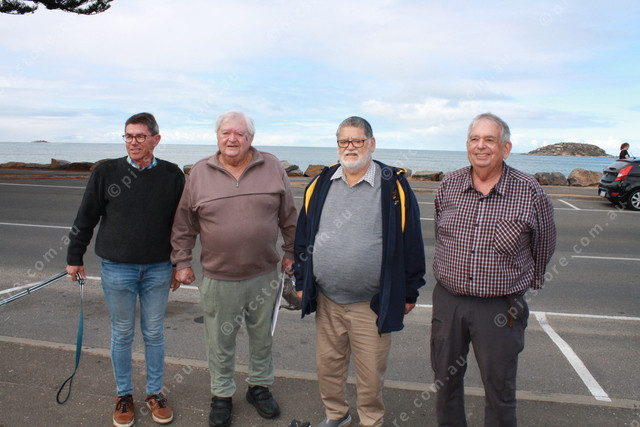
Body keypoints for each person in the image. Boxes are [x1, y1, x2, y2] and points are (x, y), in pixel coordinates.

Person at [294, 116, 426, 427]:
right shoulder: (321, 183)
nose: (350, 147)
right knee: (328, 368)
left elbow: (411, 242)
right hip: (327, 300)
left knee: (370, 375)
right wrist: (302, 281)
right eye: (344, 141)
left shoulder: (393, 186)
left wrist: (410, 292)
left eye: (358, 140)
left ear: (372, 143)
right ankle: (336, 415)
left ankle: (371, 421)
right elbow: (303, 236)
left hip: (372, 304)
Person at [170, 111, 297, 427]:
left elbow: (290, 217)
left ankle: (259, 387)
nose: (232, 138)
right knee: (220, 342)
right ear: (217, 136)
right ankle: (222, 394)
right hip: (219, 278)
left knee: (262, 338)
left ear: (250, 138)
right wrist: (182, 262)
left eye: (239, 133)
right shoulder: (200, 173)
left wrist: (292, 252)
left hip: (264, 275)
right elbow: (184, 223)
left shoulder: (272, 167)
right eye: (226, 132)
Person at [431, 113, 556, 427]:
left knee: (499, 389)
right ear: (467, 145)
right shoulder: (449, 184)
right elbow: (440, 233)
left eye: (489, 139)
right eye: (474, 139)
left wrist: (525, 282)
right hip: (449, 303)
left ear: (505, 148)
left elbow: (544, 242)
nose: (481, 146)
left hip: (500, 308)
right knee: (445, 383)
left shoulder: (528, 190)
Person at [66, 112, 185, 427]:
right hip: (117, 268)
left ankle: (155, 393)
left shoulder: (173, 175)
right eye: (128, 136)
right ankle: (124, 396)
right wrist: (75, 255)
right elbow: (85, 217)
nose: (133, 142)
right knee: (121, 333)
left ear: (156, 139)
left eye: (140, 136)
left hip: (159, 268)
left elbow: (181, 225)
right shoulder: (106, 172)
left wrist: (178, 263)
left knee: (154, 332)